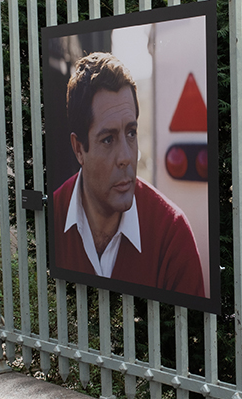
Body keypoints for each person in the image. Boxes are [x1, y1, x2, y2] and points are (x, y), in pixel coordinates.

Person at [53, 53, 205, 297]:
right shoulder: (51, 217)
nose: (126, 157)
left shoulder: (172, 234)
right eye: (108, 139)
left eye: (131, 133)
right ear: (79, 149)